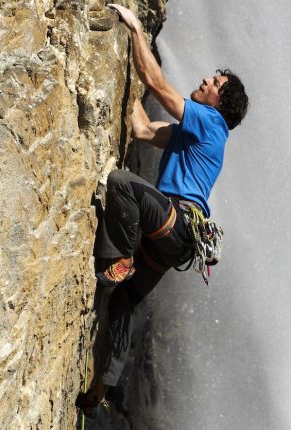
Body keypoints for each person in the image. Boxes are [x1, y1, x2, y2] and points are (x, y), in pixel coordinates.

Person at [75, 3, 249, 413]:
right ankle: (104, 386)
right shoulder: (193, 134)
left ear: (218, 102)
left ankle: (117, 258)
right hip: (172, 243)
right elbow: (140, 127)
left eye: (214, 81)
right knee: (124, 301)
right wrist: (116, 69)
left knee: (121, 182)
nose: (205, 79)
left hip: (176, 223)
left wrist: (135, 28)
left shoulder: (210, 122)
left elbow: (157, 84)